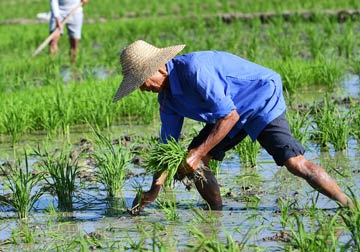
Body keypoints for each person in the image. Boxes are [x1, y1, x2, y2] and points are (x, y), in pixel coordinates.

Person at [113, 40, 352, 214]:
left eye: (142, 81)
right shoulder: (167, 100)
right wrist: (154, 189)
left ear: (159, 68)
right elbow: (168, 146)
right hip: (229, 111)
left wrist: (196, 153)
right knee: (197, 165)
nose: (143, 88)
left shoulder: (195, 70)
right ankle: (216, 216)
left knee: (295, 163)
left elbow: (229, 116)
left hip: (260, 98)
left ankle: (349, 206)